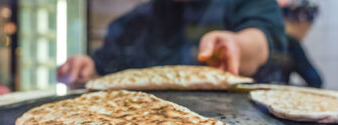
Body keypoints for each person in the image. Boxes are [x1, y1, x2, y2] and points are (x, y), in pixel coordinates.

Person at [58, 0, 287, 87]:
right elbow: (105, 67)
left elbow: (261, 40)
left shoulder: (247, 2)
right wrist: (86, 66)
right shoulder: (137, 19)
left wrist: (235, 45)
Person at [279, 0, 323, 88]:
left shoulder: (261, 36)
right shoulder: (292, 44)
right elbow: (315, 81)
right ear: (301, 23)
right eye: (307, 29)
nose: (305, 34)